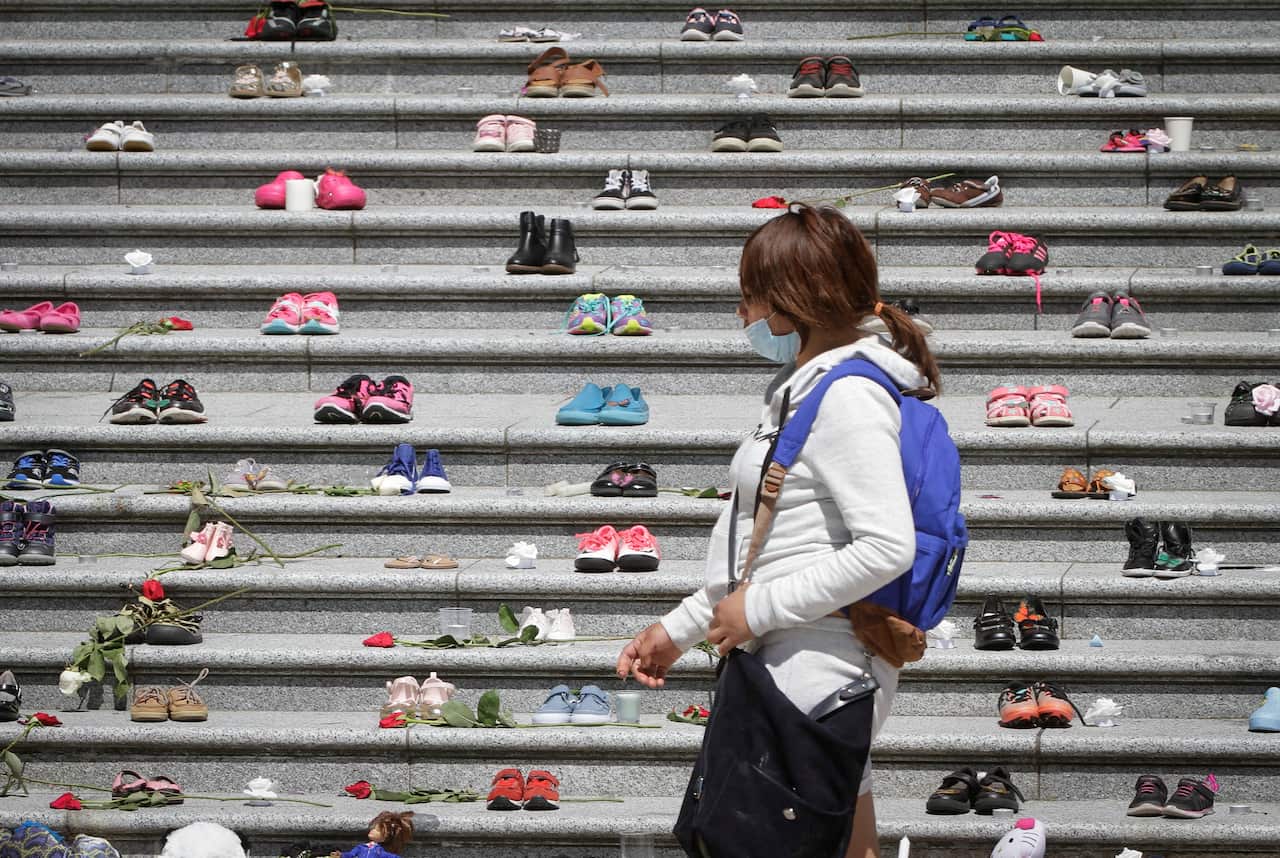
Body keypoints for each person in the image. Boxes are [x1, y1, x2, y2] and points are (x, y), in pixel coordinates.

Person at [616, 203, 941, 858]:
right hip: (803, 670)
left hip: (813, 674)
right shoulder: (808, 388)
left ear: (792, 303)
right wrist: (678, 631)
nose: (742, 316)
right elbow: (764, 546)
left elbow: (886, 544)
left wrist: (756, 610)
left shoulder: (848, 396)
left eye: (750, 298)